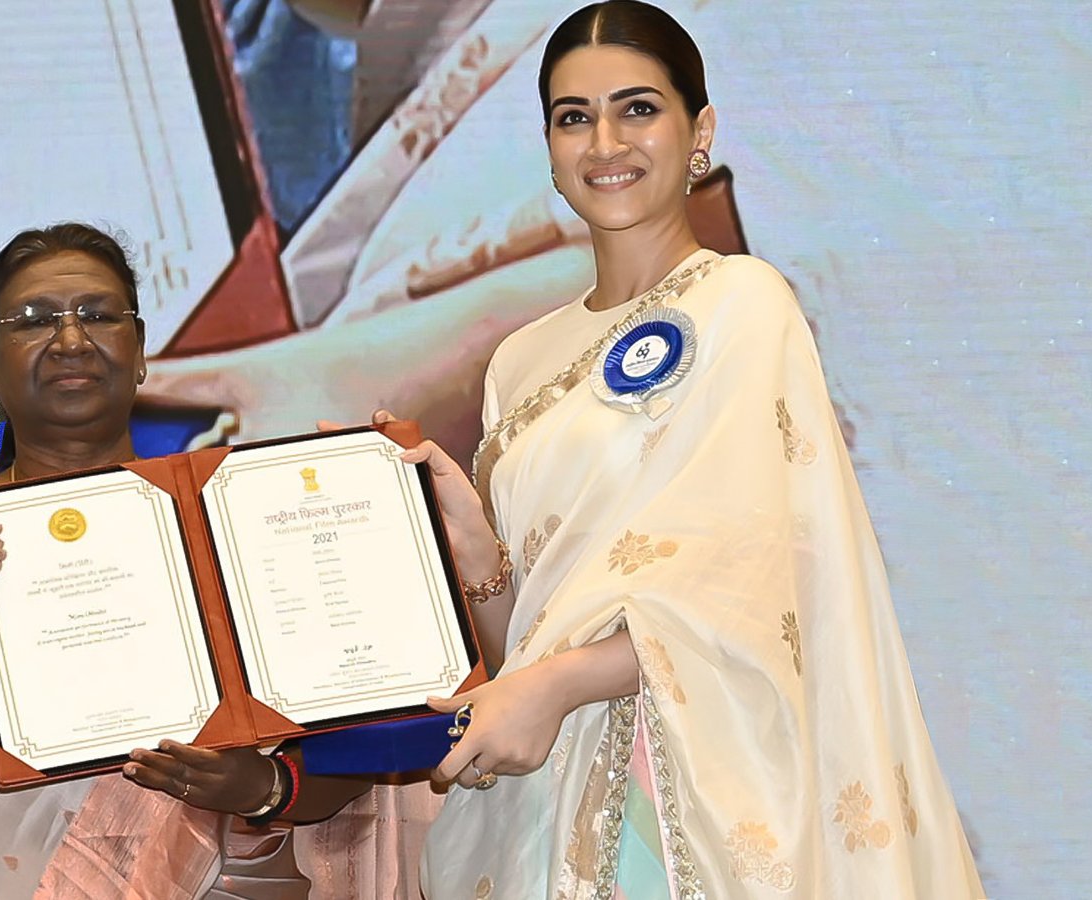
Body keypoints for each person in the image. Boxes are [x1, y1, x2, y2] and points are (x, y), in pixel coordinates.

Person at [391, 3, 986, 897]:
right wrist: (475, 548)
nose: (604, 142)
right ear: (549, 149)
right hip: (548, 792)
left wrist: (550, 686)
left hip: (692, 785)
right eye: (573, 116)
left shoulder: (743, 300)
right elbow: (540, 627)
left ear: (698, 128)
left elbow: (746, 582)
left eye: (637, 108)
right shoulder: (519, 362)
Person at [0, 223, 437, 898]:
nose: (69, 339)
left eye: (97, 314)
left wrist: (262, 787)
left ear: (140, 349)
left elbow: (363, 762)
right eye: (32, 320)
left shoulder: (241, 518)